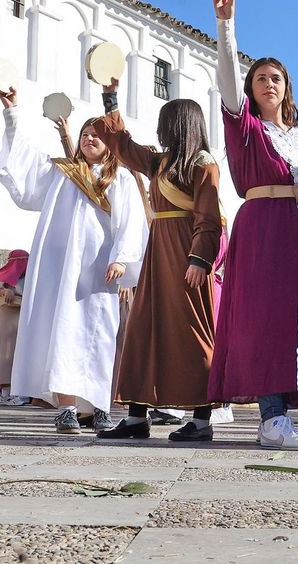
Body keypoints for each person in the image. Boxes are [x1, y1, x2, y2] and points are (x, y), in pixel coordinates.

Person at [206, 0, 298, 451]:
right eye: (261, 78)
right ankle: (270, 418)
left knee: (297, 324)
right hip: (264, 227)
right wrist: (227, 24)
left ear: (287, 89)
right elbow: (226, 79)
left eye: (277, 78)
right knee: (267, 321)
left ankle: (281, 415)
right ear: (251, 89)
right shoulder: (245, 127)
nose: (269, 83)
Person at [0, 81, 145, 435]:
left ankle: (99, 406)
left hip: (100, 270)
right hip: (62, 271)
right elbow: (24, 167)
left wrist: (122, 258)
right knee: (63, 331)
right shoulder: (62, 173)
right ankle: (66, 408)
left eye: (97, 135)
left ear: (111, 145)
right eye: (85, 134)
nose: (89, 139)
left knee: (99, 334)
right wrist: (12, 113)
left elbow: (131, 220)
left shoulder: (119, 179)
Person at [89, 78, 226, 442]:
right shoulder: (159, 161)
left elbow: (208, 217)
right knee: (142, 328)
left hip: (186, 255)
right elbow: (122, 144)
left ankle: (201, 420)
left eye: (166, 123)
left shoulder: (203, 163)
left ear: (180, 125)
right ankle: (136, 417)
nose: (160, 130)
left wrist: (199, 259)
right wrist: (110, 97)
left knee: (193, 333)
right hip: (158, 251)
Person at [0, 250, 29, 405]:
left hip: (23, 326)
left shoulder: (30, 278)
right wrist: (3, 291)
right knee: (6, 357)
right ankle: (6, 394)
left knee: (22, 358)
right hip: (5, 327)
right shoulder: (0, 279)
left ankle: (20, 393)